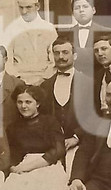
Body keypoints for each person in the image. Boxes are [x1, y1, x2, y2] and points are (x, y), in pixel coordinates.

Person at [40, 36, 95, 167]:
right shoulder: (45, 86)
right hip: (52, 146)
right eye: (57, 53)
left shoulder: (89, 83)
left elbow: (95, 115)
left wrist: (77, 137)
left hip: (81, 144)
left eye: (65, 52)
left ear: (74, 55)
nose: (61, 57)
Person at [5, 0, 57, 84]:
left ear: (37, 6)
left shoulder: (48, 28)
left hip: (44, 78)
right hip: (19, 79)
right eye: (21, 7)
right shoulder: (11, 29)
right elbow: (7, 59)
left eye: (28, 7)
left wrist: (44, 78)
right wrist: (17, 78)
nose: (24, 11)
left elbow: (54, 58)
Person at [64, 0, 108, 74]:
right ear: (73, 13)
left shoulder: (106, 32)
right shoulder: (66, 34)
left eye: (85, 6)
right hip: (75, 78)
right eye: (77, 8)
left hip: (98, 77)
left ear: (93, 10)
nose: (81, 10)